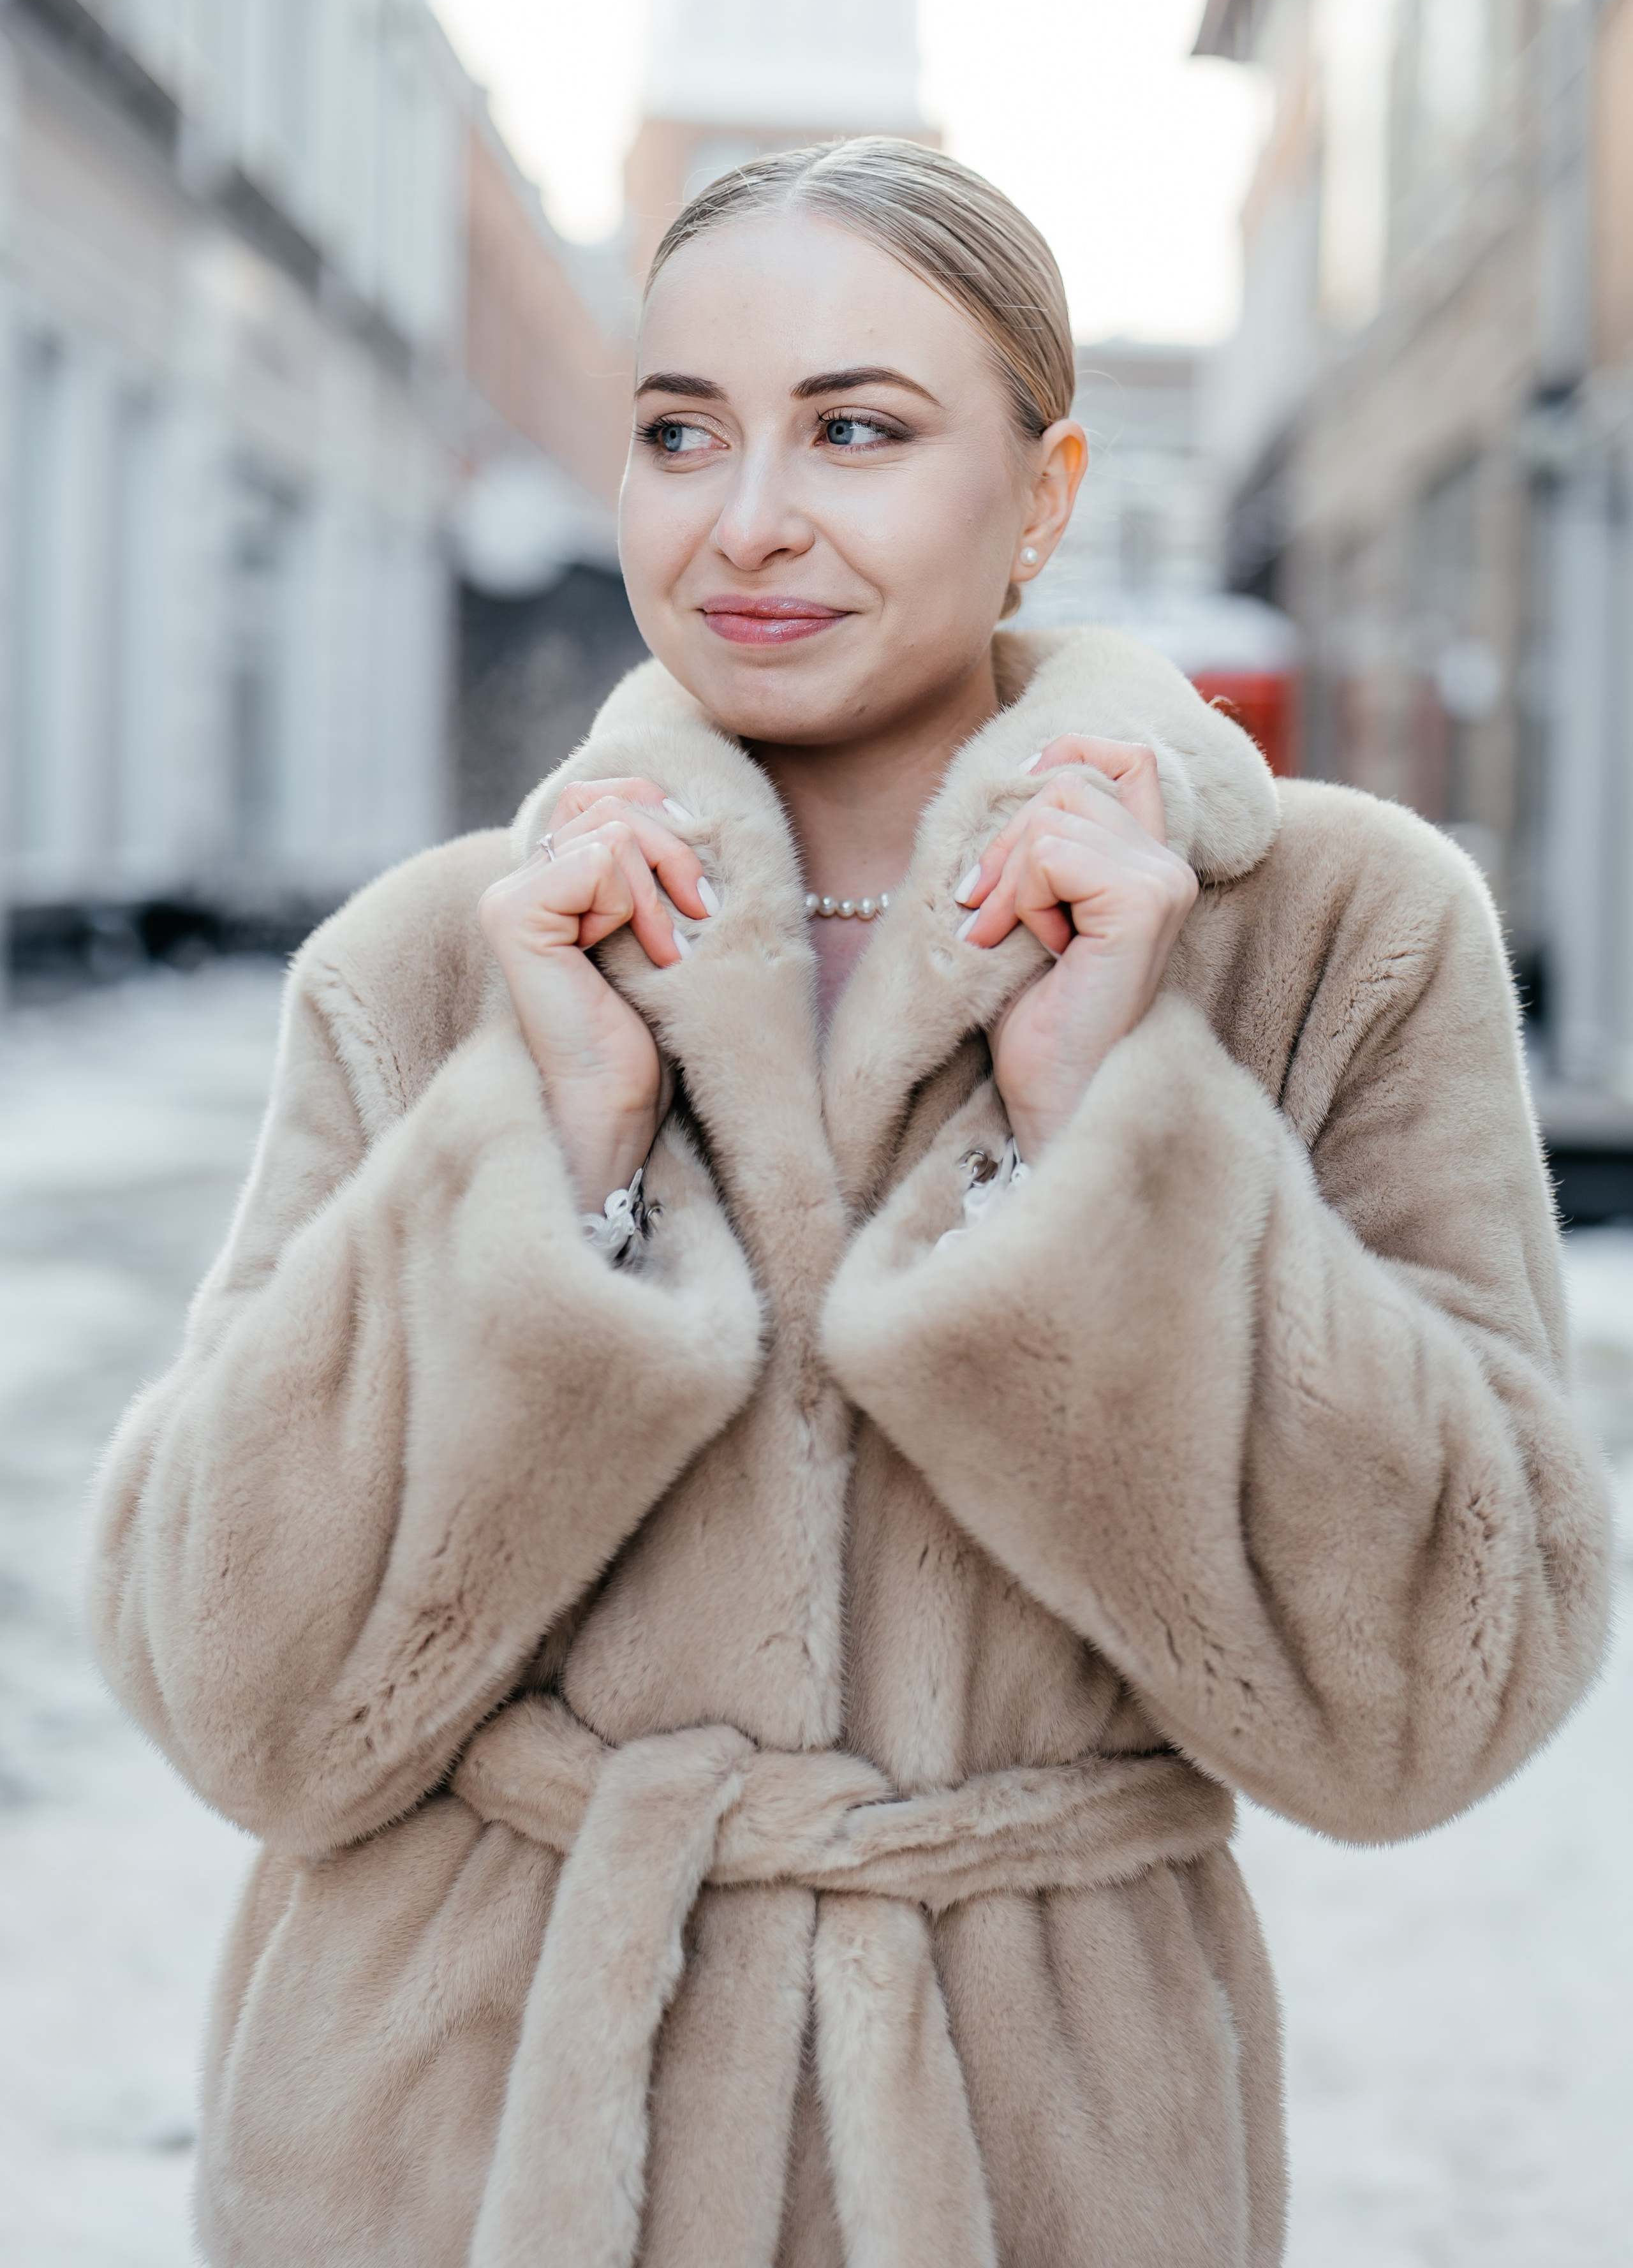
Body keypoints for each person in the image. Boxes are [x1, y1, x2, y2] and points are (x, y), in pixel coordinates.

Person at [90, 139, 1610, 2268]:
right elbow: (239, 1693)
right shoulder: (452, 955)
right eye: (678, 432)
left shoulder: (1324, 937)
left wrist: (1116, 1150)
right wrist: (557, 1156)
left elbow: (1435, 1696)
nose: (747, 520)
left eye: (860, 431)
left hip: (1032, 2161)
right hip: (451, 2144)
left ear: (1047, 493)